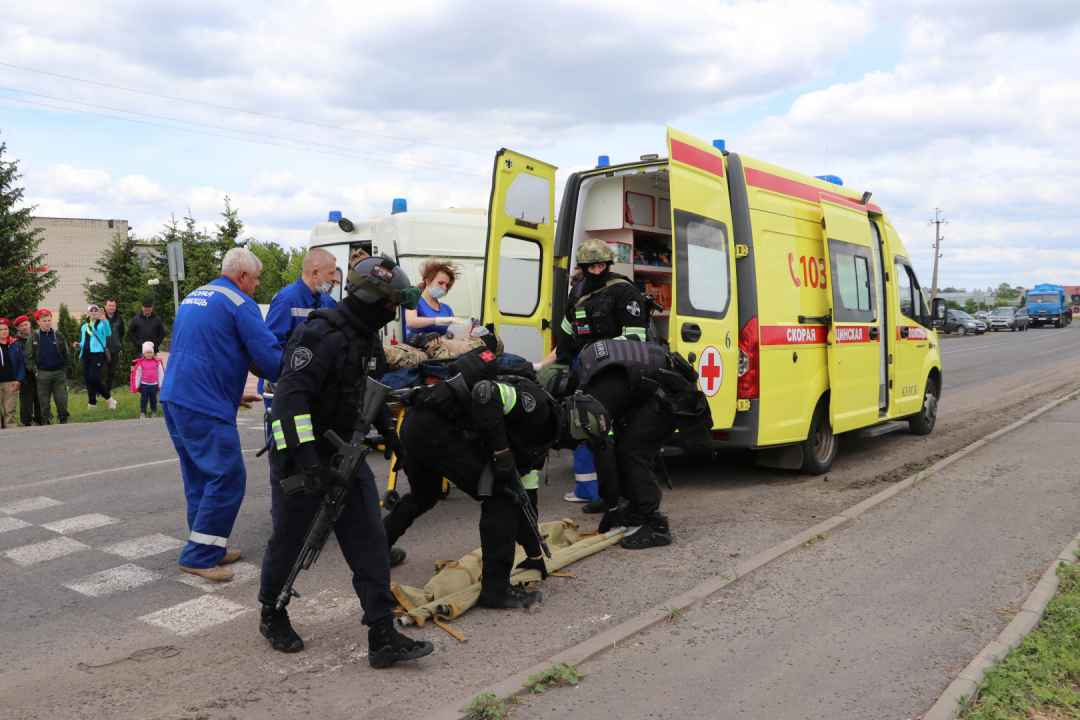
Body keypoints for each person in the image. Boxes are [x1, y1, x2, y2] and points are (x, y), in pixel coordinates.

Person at [258, 256, 434, 669]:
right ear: (370, 297)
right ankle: (272, 611)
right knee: (292, 537)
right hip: (300, 451)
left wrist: (393, 436)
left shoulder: (368, 338)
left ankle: (382, 632)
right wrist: (306, 463)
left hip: (345, 452)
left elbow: (371, 392)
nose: (394, 311)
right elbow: (289, 405)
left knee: (369, 538)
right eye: (390, 303)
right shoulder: (318, 335)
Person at [383, 347, 611, 608]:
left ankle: (378, 548)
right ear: (576, 428)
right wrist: (501, 450)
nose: (581, 447)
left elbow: (525, 501)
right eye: (584, 441)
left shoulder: (542, 435)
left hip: (418, 424)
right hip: (435, 431)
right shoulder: (537, 409)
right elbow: (485, 393)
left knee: (426, 494)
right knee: (500, 501)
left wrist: (534, 551)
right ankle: (496, 590)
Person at [160, 248, 284, 582]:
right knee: (228, 477)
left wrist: (231, 391)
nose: (257, 286)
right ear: (242, 275)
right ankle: (199, 556)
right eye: (257, 278)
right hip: (203, 403)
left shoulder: (195, 296)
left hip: (176, 397)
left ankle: (207, 546)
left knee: (200, 477)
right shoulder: (240, 304)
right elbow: (271, 359)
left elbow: (203, 350)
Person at [569, 337, 711, 550]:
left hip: (672, 395)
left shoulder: (595, 395)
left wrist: (611, 506)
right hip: (657, 387)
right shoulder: (587, 365)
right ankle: (635, 508)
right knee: (623, 442)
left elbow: (603, 450)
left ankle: (657, 525)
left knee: (632, 451)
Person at [555, 239, 653, 512]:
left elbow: (635, 338)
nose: (596, 272)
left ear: (609, 265)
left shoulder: (624, 292)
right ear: (582, 267)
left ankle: (622, 499)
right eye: (590, 267)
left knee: (610, 434)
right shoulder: (576, 292)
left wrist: (601, 355)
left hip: (618, 373)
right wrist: (564, 361)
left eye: (601, 266)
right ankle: (608, 497)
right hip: (587, 370)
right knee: (595, 434)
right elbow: (565, 328)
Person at [23, 310, 70, 425]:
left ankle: (63, 419)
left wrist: (64, 370)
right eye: (44, 321)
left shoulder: (58, 335)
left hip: (58, 372)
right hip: (42, 373)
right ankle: (46, 421)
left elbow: (66, 353)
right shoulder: (34, 338)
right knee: (44, 401)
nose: (47, 323)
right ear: (38, 322)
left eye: (49, 320)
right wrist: (35, 371)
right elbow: (28, 357)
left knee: (61, 399)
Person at [403, 259, 469, 339]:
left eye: (447, 285)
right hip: (419, 349)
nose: (444, 288)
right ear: (428, 281)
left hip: (443, 349)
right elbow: (411, 322)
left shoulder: (446, 308)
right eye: (440, 283)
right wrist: (438, 320)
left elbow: (454, 333)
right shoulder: (414, 301)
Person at [75, 304, 115, 410]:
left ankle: (109, 398)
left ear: (98, 312)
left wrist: (104, 320)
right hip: (86, 354)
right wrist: (78, 345)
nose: (93, 312)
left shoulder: (102, 324)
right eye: (91, 310)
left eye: (95, 310)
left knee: (94, 377)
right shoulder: (84, 326)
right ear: (88, 313)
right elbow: (84, 342)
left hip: (98, 353)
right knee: (88, 379)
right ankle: (92, 403)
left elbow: (108, 333)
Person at [13, 316, 42, 426]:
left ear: (30, 324)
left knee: (40, 397)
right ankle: (26, 421)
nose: (24, 327)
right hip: (25, 374)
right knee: (26, 399)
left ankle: (41, 419)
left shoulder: (38, 337)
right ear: (18, 328)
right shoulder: (17, 342)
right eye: (21, 326)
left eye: (26, 324)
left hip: (39, 371)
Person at [0, 319, 26, 429]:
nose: (3, 331)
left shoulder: (15, 345)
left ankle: (12, 434)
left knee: (9, 411)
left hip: (11, 383)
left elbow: (21, 364)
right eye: (0, 329)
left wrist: (19, 380)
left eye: (5, 329)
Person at [131, 341, 165, 418]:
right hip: (144, 384)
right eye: (147, 353)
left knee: (153, 399)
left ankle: (153, 411)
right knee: (144, 399)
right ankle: (143, 412)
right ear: (144, 354)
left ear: (153, 353)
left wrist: (161, 384)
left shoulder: (157, 362)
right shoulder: (141, 362)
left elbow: (160, 373)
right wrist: (136, 384)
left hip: (154, 384)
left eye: (150, 352)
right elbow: (138, 373)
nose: (149, 354)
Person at [101, 300, 126, 390]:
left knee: (112, 371)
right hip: (101, 349)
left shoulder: (119, 318)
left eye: (113, 306)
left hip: (114, 349)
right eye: (109, 305)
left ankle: (107, 390)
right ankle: (98, 390)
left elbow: (122, 332)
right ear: (105, 306)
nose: (111, 307)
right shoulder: (100, 317)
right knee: (100, 371)